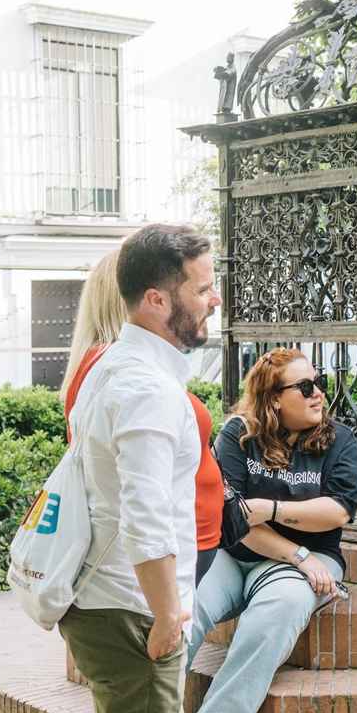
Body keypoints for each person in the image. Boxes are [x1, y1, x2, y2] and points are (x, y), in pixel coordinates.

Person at [57, 223, 219, 713]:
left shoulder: (118, 368)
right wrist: (167, 616)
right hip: (132, 609)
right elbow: (146, 517)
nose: (214, 300)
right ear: (156, 299)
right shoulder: (145, 386)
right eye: (202, 289)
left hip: (120, 603)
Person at [184, 348, 357, 713]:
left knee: (277, 610)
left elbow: (337, 511)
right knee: (187, 607)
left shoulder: (340, 440)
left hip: (311, 559)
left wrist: (272, 510)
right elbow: (235, 518)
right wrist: (297, 553)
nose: (318, 393)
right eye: (306, 387)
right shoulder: (238, 435)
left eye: (319, 383)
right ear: (274, 398)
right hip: (241, 554)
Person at [62, 250, 225, 587]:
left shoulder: (121, 367)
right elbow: (143, 499)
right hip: (167, 545)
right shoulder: (130, 376)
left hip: (183, 537)